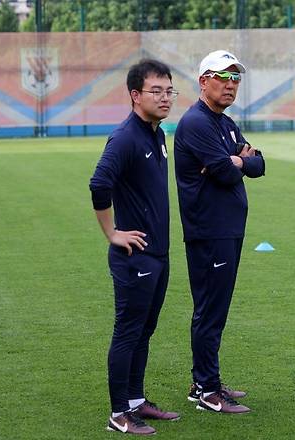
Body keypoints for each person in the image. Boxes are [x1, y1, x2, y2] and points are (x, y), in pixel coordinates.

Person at [89, 59, 180, 435]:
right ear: (135, 95)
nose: (164, 98)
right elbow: (99, 184)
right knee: (128, 331)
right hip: (134, 256)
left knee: (145, 330)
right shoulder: (125, 137)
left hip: (158, 254)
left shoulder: (156, 134)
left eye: (168, 90)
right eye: (155, 91)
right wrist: (112, 233)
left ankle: (136, 400)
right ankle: (117, 414)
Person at [174, 50, 266, 414]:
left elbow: (258, 164)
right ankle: (206, 390)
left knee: (217, 308)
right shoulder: (196, 123)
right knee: (210, 309)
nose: (231, 85)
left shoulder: (225, 123)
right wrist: (235, 162)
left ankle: (206, 380)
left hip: (227, 228)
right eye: (223, 77)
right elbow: (227, 172)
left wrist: (238, 159)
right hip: (209, 231)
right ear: (203, 81)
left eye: (236, 79)